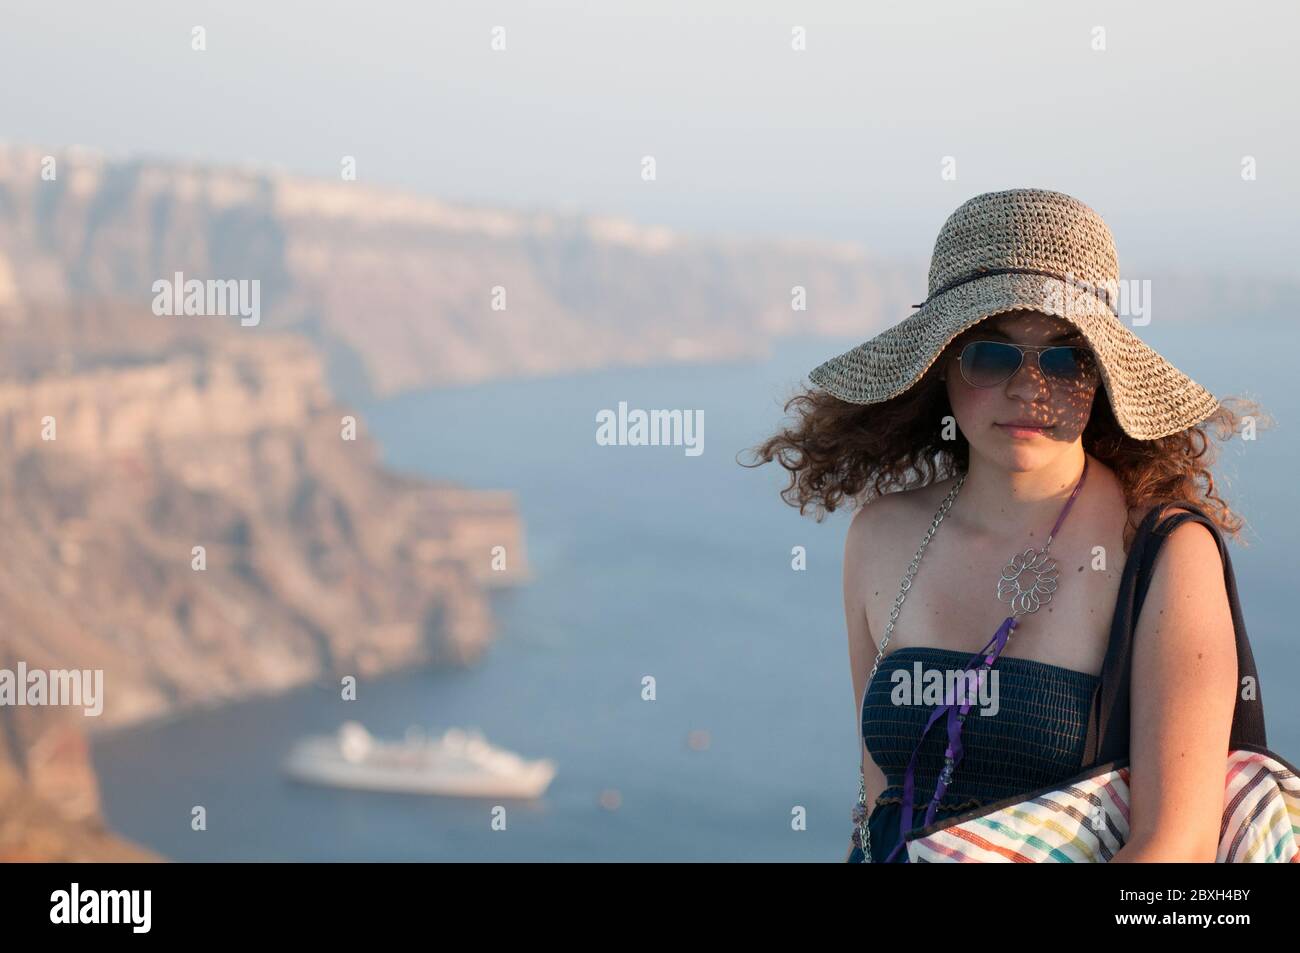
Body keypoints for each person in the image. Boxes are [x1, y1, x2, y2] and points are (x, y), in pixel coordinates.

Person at [745, 188, 1271, 862]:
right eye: (993, 356)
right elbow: (882, 807)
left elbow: (1179, 845)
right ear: (941, 365)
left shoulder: (1163, 551)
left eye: (1064, 358)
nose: (1030, 389)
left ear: (1101, 375)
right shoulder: (879, 537)